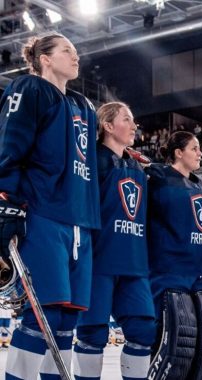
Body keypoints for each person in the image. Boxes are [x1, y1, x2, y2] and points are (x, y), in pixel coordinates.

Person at [0, 33, 101, 380]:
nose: (76, 57)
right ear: (44, 58)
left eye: (76, 51)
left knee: (66, 317)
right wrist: (7, 204)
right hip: (42, 213)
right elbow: (10, 145)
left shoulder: (83, 105)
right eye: (67, 51)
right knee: (40, 315)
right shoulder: (29, 89)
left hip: (78, 220)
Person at [73, 102, 155, 380]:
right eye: (127, 120)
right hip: (98, 260)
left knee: (144, 331)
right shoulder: (90, 160)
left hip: (134, 263)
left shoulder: (139, 166)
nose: (134, 126)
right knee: (92, 334)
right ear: (108, 126)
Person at [145, 131, 202, 380]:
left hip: (201, 276)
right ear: (178, 153)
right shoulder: (158, 178)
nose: (200, 153)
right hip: (169, 273)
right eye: (194, 148)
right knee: (175, 348)